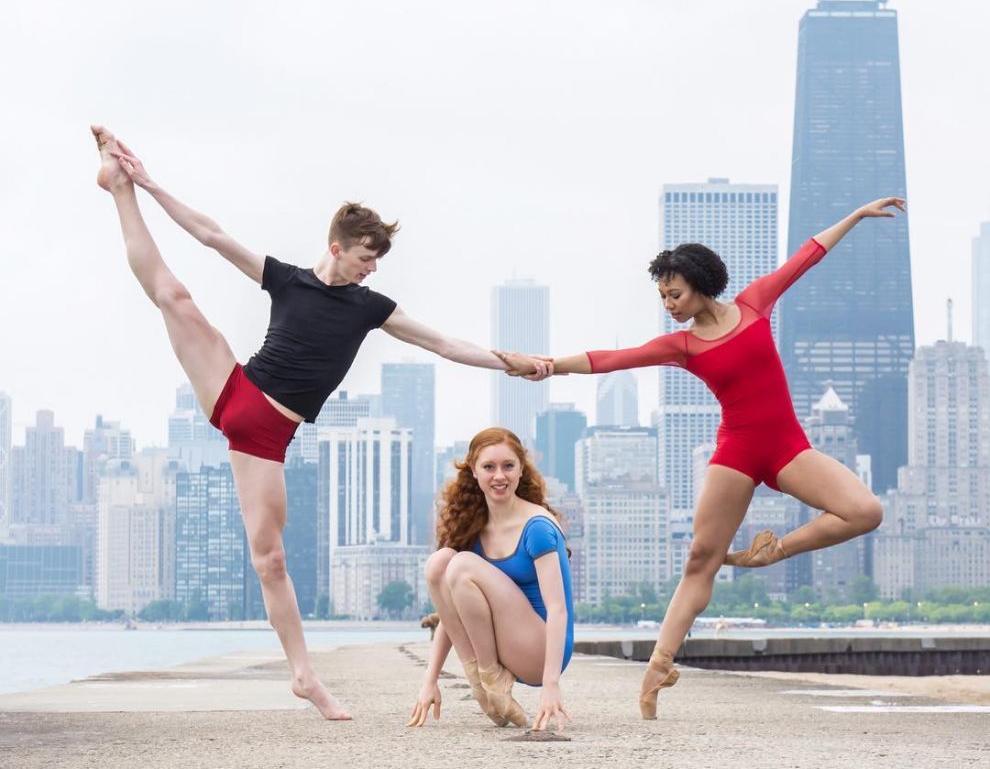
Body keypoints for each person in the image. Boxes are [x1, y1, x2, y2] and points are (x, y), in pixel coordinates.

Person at [90, 125, 551, 721]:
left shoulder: (370, 308)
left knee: (271, 560)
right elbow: (211, 235)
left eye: (377, 262)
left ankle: (304, 677)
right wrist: (147, 182)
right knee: (172, 294)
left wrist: (505, 362)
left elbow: (441, 342)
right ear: (338, 247)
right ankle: (117, 187)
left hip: (264, 436)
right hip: (236, 388)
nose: (371, 270)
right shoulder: (286, 279)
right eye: (366, 258)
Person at [498, 197, 904, 719]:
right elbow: (612, 360)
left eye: (675, 293)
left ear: (699, 283)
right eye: (663, 296)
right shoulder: (683, 345)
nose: (668, 303)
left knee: (866, 511)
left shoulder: (755, 304)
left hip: (788, 448)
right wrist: (545, 366)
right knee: (700, 559)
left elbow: (806, 255)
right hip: (736, 451)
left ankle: (770, 553)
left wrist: (855, 214)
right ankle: (657, 667)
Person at [407, 428, 573, 732]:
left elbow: (558, 609)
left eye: (508, 466)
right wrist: (429, 680)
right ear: (474, 471)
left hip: (540, 651)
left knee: (458, 564)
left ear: (522, 469)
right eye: (489, 467)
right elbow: (451, 613)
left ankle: (490, 679)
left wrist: (551, 683)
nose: (500, 476)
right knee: (439, 563)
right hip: (504, 645)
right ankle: (484, 683)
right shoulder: (475, 528)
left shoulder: (536, 527)